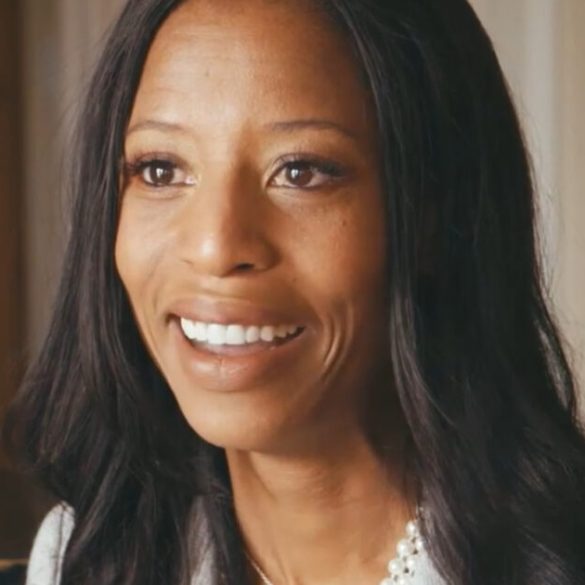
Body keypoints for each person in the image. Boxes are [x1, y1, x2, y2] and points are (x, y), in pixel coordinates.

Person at [4, 0, 585, 583]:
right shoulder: (83, 558)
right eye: (161, 170)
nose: (215, 247)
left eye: (301, 172)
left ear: (435, 212)